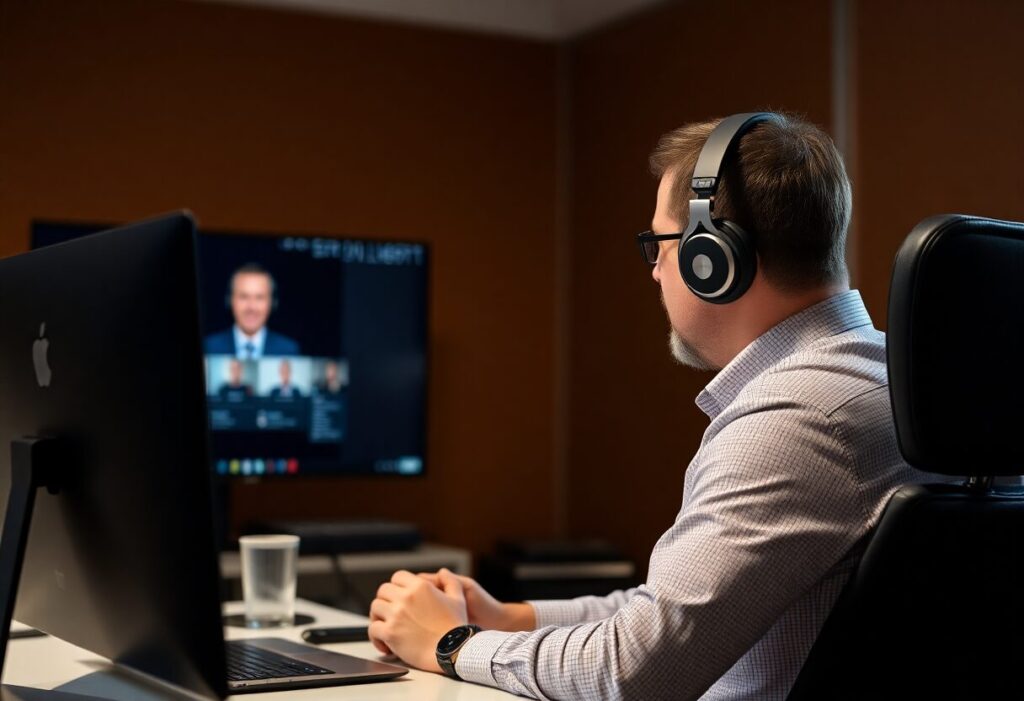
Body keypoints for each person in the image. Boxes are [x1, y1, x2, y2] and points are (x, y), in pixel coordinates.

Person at [365, 113, 933, 700]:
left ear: (712, 256)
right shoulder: (888, 382)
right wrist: (512, 618)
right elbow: (671, 615)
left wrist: (451, 643)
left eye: (658, 244)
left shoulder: (797, 420)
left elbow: (633, 672)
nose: (657, 269)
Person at [204, 263, 300, 358]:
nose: (252, 307)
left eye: (259, 298)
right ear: (230, 301)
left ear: (272, 303)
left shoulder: (289, 351)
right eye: (243, 297)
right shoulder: (209, 348)